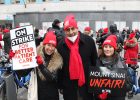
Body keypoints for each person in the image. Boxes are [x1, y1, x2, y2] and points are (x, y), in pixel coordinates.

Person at [9, 31, 63, 100]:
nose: (50, 48)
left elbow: (52, 78)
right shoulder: (35, 56)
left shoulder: (58, 59)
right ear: (44, 44)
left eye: (53, 46)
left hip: (52, 96)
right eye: (48, 45)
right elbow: (23, 73)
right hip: (38, 95)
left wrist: (41, 65)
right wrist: (15, 60)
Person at [57, 14, 98, 100]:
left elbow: (95, 62)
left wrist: (96, 84)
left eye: (73, 28)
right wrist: (60, 85)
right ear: (64, 31)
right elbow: (60, 68)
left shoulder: (89, 41)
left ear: (77, 28)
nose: (71, 32)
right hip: (69, 88)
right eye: (67, 30)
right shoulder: (61, 45)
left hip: (87, 86)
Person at [96, 35, 132, 100]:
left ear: (114, 48)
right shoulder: (98, 62)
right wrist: (99, 93)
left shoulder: (121, 64)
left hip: (117, 97)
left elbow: (129, 85)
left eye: (110, 47)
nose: (107, 49)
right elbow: (94, 82)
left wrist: (118, 85)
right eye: (105, 47)